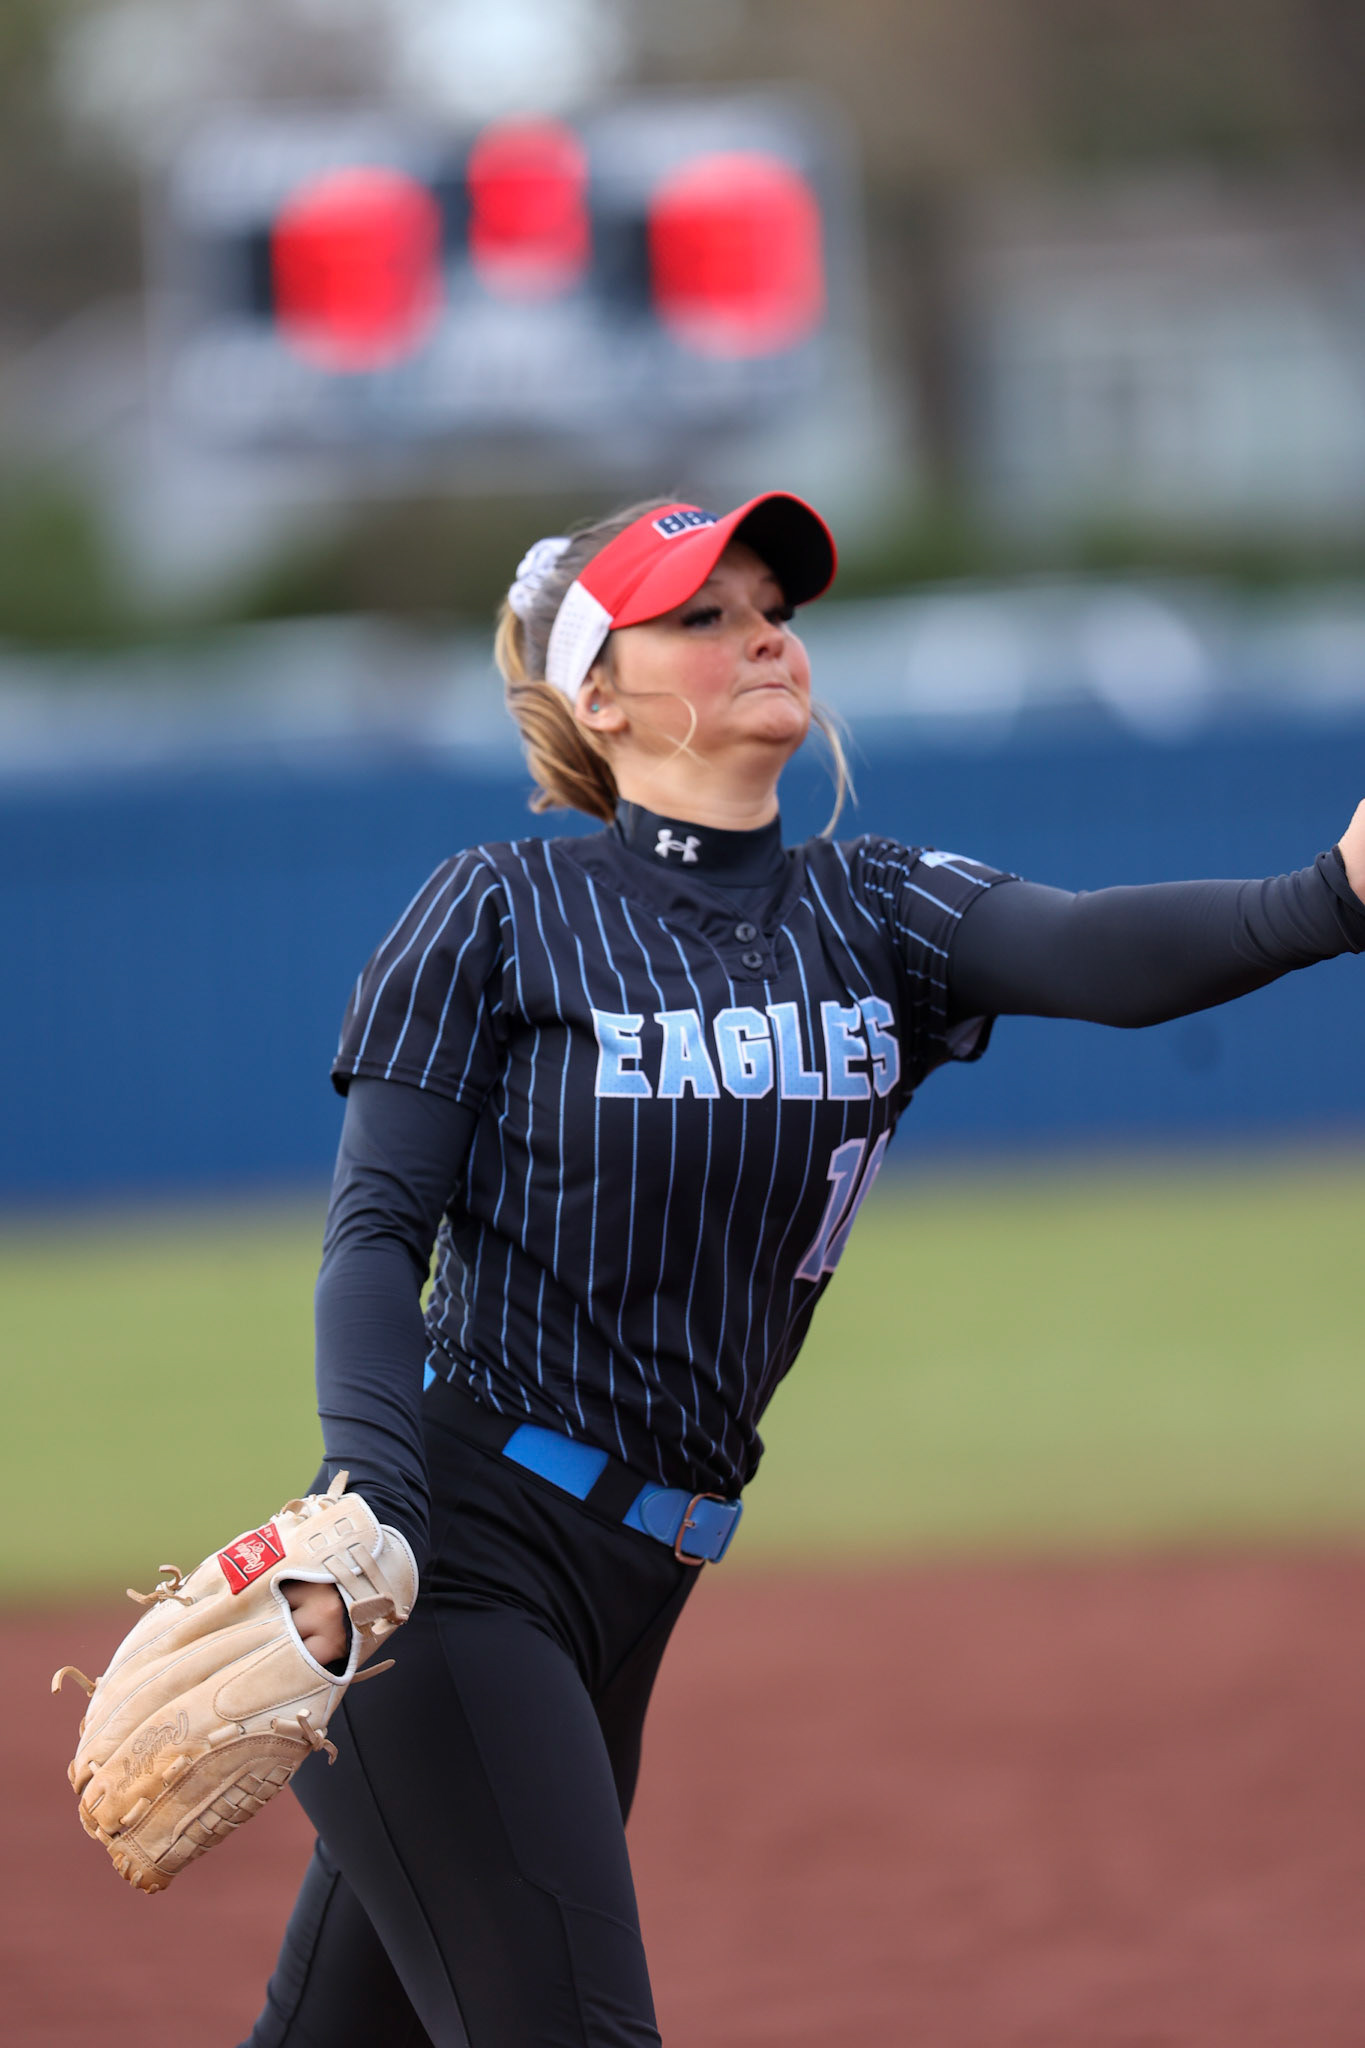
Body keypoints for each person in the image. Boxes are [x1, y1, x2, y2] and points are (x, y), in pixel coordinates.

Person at [245, 493, 1365, 2048]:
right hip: (455, 1560)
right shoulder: (502, 911)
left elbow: (1105, 953)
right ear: (598, 695)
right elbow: (375, 1238)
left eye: (770, 602)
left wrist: (1339, 893)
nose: (764, 631)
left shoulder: (874, 909)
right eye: (699, 614)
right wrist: (370, 1515)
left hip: (633, 1579)